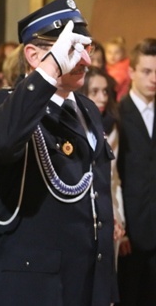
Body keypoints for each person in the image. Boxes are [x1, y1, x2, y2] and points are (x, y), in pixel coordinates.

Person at [0, 0, 117, 305]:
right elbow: (0, 143)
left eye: (86, 48)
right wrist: (51, 70)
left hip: (88, 283)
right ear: (33, 55)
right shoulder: (5, 105)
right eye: (71, 49)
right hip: (37, 288)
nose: (85, 60)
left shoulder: (87, 109)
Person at [116, 38, 156, 306]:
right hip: (130, 233)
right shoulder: (118, 114)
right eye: (147, 71)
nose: (154, 78)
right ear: (131, 72)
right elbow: (113, 176)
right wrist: (122, 226)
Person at [80, 67, 125, 262]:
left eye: (106, 91)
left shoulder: (111, 126)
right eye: (95, 92)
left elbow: (113, 179)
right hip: (82, 215)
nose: (103, 97)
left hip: (108, 212)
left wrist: (117, 216)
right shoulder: (73, 124)